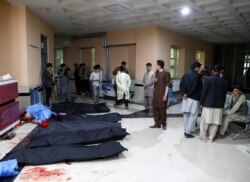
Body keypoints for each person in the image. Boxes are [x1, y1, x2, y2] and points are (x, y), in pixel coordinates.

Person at [199, 65, 227, 142]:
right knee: (215, 122)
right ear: (220, 71)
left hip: (208, 104)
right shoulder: (224, 81)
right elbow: (224, 95)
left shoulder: (208, 79)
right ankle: (211, 138)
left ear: (212, 70)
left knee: (205, 121)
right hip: (219, 105)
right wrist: (222, 105)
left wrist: (201, 102)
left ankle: (203, 136)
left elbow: (204, 92)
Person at [180, 61, 203, 138]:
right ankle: (188, 132)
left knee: (186, 115)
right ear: (196, 68)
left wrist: (184, 94)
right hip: (194, 99)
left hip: (185, 98)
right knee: (193, 116)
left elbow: (181, 85)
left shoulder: (185, 75)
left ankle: (186, 130)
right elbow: (195, 87)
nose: (200, 69)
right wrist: (189, 94)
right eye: (199, 67)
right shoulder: (197, 76)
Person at [150, 60, 171, 130]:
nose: (155, 66)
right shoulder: (156, 73)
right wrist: (154, 81)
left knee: (162, 109)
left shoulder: (166, 73)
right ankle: (157, 123)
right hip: (156, 94)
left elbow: (167, 85)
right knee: (155, 108)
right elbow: (155, 81)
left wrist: (165, 95)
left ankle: (163, 124)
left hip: (162, 94)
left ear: (159, 66)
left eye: (156, 65)